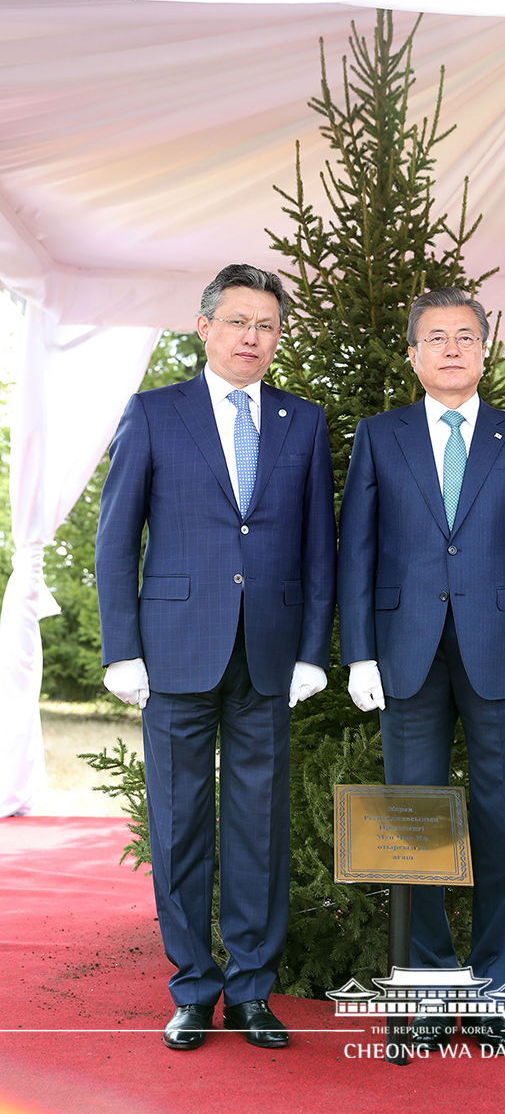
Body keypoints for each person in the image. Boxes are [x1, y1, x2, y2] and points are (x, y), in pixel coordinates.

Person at [95, 264, 336, 1051]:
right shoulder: (154, 413)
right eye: (238, 322)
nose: (252, 338)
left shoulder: (303, 421)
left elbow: (318, 550)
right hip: (173, 654)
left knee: (259, 829)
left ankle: (254, 991)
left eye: (266, 325)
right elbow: (114, 539)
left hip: (268, 654)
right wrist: (122, 649)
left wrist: (311, 651)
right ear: (205, 328)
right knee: (179, 825)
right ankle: (194, 988)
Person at [337, 286, 505, 1053]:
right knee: (413, 827)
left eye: (465, 336)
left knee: (502, 826)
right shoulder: (380, 435)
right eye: (434, 337)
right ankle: (429, 991)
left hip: (504, 658)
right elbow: (358, 549)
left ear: (484, 350)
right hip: (405, 653)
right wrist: (360, 651)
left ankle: (493, 990)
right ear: (413, 353)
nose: (450, 348)